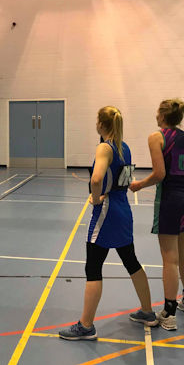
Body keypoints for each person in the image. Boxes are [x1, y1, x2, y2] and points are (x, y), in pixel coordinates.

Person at [59, 107, 157, 341]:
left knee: (93, 268)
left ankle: (86, 326)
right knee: (131, 262)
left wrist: (95, 198)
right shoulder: (125, 147)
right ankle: (148, 312)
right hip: (123, 210)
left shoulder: (104, 147)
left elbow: (96, 178)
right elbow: (124, 179)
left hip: (106, 213)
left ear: (101, 124)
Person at [129, 99, 184, 331]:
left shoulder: (156, 137)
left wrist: (139, 184)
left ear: (161, 115)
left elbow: (159, 173)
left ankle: (169, 313)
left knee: (169, 258)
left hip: (169, 199)